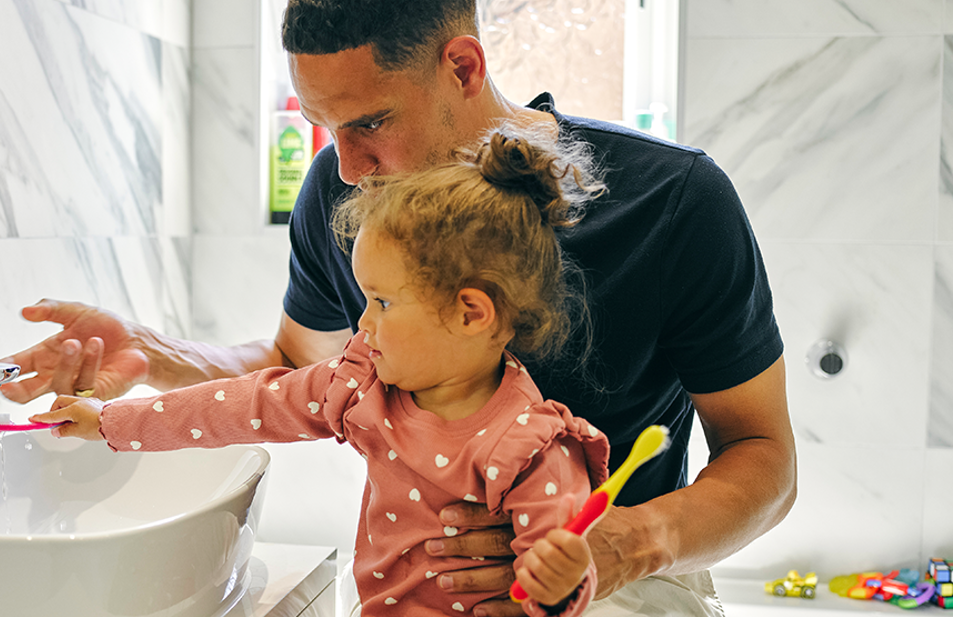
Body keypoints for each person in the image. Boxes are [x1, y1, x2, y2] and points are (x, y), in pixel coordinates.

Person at [1, 0, 796, 614]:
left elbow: (765, 455)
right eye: (326, 127)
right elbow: (297, 369)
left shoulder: (674, 201)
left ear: (463, 65)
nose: (346, 165)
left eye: (370, 122)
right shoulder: (340, 191)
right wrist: (150, 350)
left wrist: (624, 543)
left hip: (622, 578)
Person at [32, 128, 611, 616]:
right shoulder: (362, 386)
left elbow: (555, 586)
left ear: (470, 313)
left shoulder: (531, 450)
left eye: (381, 302)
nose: (362, 323)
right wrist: (110, 420)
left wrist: (559, 582)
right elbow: (239, 407)